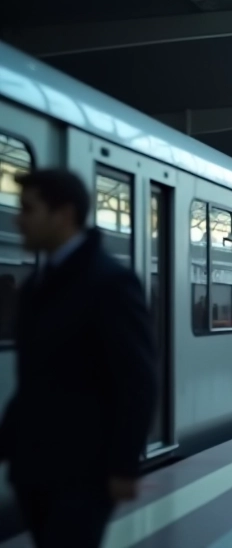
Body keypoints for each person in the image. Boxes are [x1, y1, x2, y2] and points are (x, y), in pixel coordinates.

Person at [0, 170, 156, 547]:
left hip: (85, 472)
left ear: (64, 214)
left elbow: (137, 379)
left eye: (28, 209)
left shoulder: (111, 282)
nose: (18, 220)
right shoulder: (38, 285)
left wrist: (123, 466)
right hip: (34, 468)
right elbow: (35, 380)